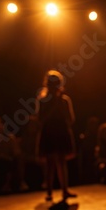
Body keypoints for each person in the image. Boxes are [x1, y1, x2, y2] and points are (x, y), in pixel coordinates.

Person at [36, 70, 77, 202]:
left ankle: (65, 190)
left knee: (61, 161)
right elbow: (41, 119)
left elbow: (70, 119)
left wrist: (60, 104)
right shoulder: (43, 101)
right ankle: (49, 192)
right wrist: (54, 104)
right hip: (49, 132)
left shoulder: (65, 101)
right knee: (50, 163)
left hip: (61, 132)